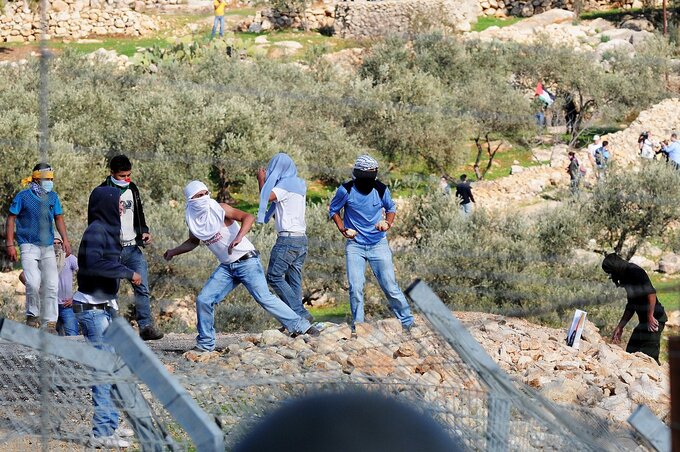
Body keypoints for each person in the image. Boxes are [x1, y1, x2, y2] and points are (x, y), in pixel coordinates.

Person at [164, 181, 319, 353]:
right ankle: (205, 344)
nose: (204, 198)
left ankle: (303, 327)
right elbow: (193, 242)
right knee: (204, 300)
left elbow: (248, 217)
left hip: (247, 261)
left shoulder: (220, 208)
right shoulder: (194, 220)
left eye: (206, 193)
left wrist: (239, 237)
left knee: (264, 297)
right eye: (199, 196)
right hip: (227, 267)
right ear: (190, 199)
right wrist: (173, 252)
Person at [74, 186, 141, 448]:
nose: (122, 208)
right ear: (105, 205)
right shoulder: (96, 231)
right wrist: (126, 272)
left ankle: (110, 424)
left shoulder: (107, 231)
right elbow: (92, 264)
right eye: (118, 204)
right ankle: (101, 433)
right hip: (92, 310)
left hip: (104, 307)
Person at [329, 155, 415, 333]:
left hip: (378, 244)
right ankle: (359, 326)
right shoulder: (345, 190)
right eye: (365, 175)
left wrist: (387, 223)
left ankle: (408, 323)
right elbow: (333, 210)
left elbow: (391, 208)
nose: (368, 180)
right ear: (357, 174)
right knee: (355, 287)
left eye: (372, 175)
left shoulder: (381, 189)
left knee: (390, 286)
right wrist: (343, 228)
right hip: (355, 246)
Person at [100, 155, 163, 341]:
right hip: (112, 250)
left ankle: (145, 327)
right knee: (110, 290)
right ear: (111, 174)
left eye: (128, 175)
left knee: (142, 286)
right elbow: (95, 219)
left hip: (133, 248)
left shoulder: (132, 188)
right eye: (121, 176)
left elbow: (139, 213)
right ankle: (111, 329)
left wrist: (144, 231)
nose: (126, 179)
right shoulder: (102, 191)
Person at [5, 162, 71, 332]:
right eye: (46, 179)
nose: (50, 181)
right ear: (36, 179)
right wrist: (10, 243)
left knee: (52, 284)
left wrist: (65, 239)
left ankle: (50, 324)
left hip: (48, 245)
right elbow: (11, 218)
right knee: (33, 282)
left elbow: (59, 218)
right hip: (27, 244)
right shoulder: (23, 196)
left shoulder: (53, 197)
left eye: (52, 178)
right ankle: (32, 315)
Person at [256, 153, 313, 323]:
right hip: (301, 239)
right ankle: (297, 323)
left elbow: (266, 196)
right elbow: (282, 211)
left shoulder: (285, 184)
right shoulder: (299, 183)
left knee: (273, 277)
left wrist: (261, 180)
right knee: (293, 279)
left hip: (287, 240)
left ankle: (300, 314)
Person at [602, 253, 667, 364]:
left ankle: (657, 379)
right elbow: (631, 305)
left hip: (654, 319)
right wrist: (620, 327)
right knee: (631, 353)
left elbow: (651, 293)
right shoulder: (625, 277)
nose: (611, 275)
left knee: (648, 358)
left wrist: (650, 316)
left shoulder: (635, 271)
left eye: (610, 272)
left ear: (615, 268)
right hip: (644, 322)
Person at [18, 233, 79, 336]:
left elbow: (85, 276)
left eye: (58, 243)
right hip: (49, 307)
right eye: (53, 243)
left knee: (72, 335)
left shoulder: (70, 259)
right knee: (51, 335)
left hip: (66, 306)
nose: (56, 245)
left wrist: (75, 297)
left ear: (62, 243)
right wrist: (37, 288)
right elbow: (23, 275)